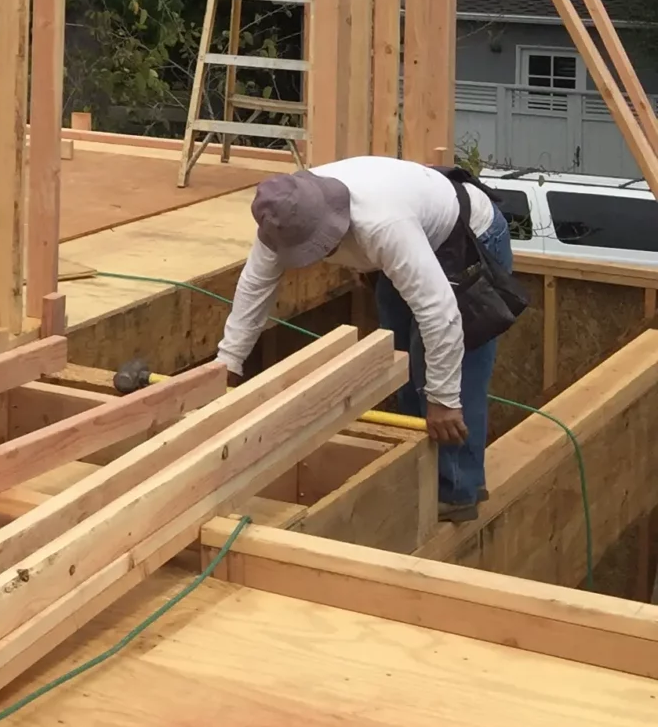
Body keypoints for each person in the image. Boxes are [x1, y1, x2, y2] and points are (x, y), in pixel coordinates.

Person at [215, 157, 518, 522]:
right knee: (403, 362)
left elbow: (442, 314)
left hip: (467, 235)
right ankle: (419, 473)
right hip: (412, 234)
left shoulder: (381, 224)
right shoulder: (283, 215)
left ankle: (457, 492)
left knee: (453, 376)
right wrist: (227, 363)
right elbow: (254, 288)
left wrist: (443, 400)